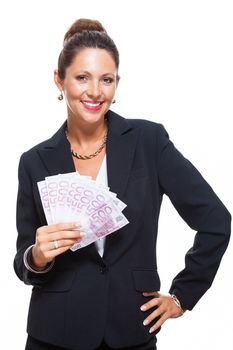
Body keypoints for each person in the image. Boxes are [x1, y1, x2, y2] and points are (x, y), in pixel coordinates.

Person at [14, 18, 231, 350]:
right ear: (59, 81)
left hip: (131, 328)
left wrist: (182, 296)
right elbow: (23, 262)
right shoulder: (34, 161)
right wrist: (37, 256)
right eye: (82, 78)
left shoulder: (149, 141)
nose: (95, 92)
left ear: (117, 83)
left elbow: (216, 221)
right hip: (54, 332)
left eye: (106, 79)